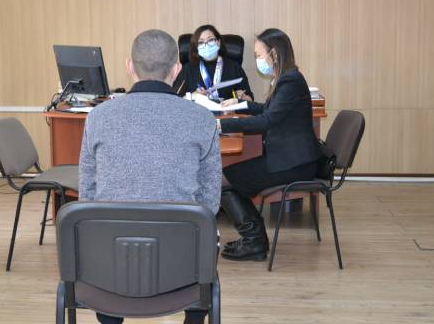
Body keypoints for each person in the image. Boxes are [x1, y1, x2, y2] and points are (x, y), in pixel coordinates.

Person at [79, 29, 222, 324]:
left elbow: (87, 196)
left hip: (109, 275)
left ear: (130, 66)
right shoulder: (203, 119)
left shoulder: (97, 117)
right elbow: (210, 201)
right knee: (206, 233)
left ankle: (110, 317)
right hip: (183, 276)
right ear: (177, 69)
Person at [217, 28, 321, 261]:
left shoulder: (290, 80)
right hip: (289, 159)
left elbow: (268, 120)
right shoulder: (288, 78)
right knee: (225, 178)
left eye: (258, 54)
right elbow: (269, 110)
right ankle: (255, 239)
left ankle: (254, 241)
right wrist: (242, 105)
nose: (257, 60)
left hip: (293, 164)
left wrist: (222, 125)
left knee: (222, 180)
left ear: (274, 53)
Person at [173, 24, 254, 101]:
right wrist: (193, 96)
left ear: (218, 42)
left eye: (211, 40)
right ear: (196, 47)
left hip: (227, 111)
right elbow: (174, 100)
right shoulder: (187, 69)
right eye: (201, 42)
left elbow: (250, 98)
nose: (206, 44)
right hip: (197, 111)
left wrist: (243, 97)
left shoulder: (234, 67)